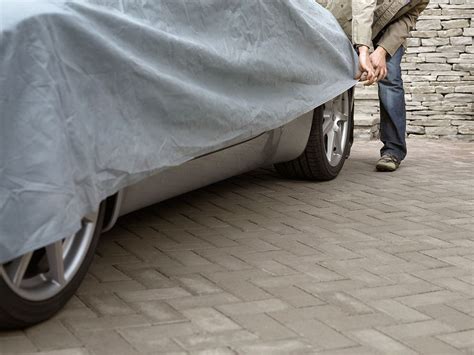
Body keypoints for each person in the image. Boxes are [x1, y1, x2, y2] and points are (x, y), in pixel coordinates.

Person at [318, 0, 429, 171]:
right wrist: (363, 49)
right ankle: (339, 143)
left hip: (386, 31)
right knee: (341, 76)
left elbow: (407, 18)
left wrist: (382, 50)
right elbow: (363, 5)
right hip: (349, 20)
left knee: (391, 78)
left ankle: (393, 151)